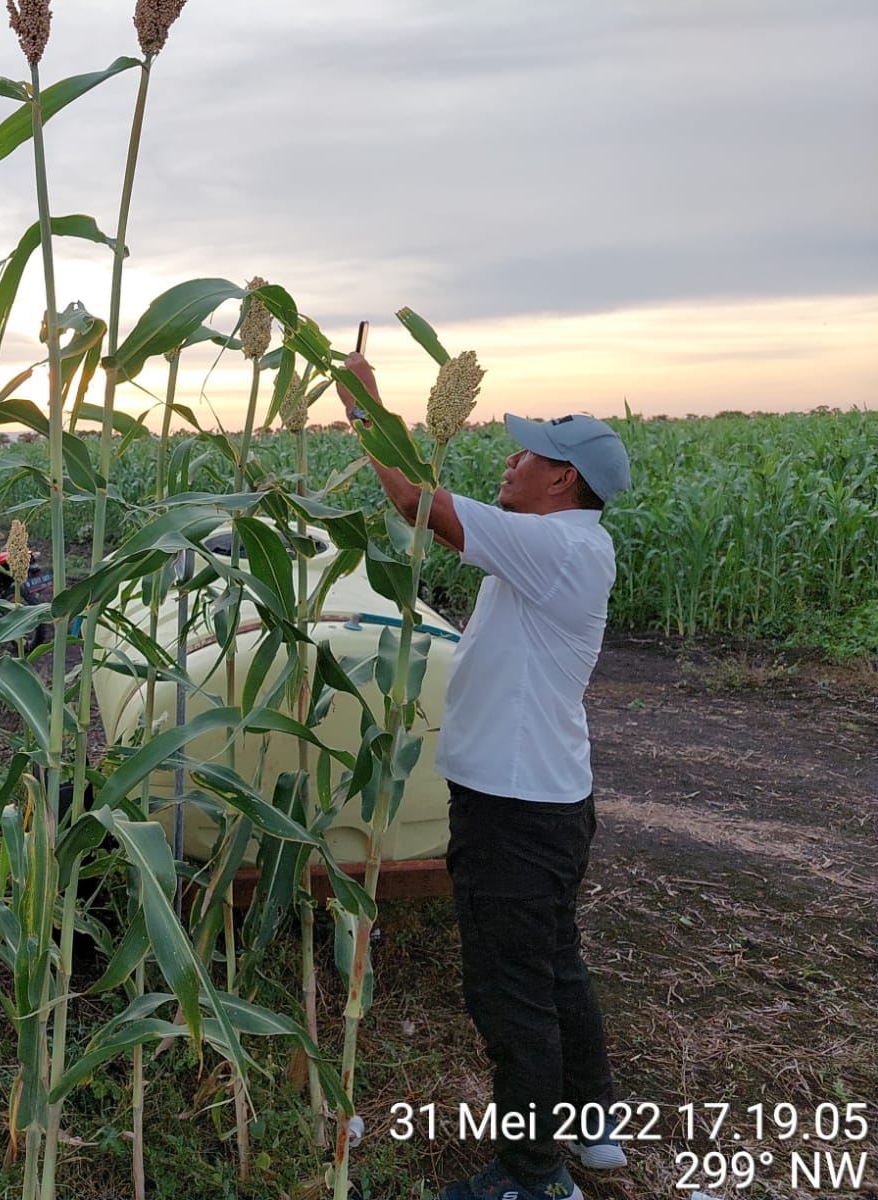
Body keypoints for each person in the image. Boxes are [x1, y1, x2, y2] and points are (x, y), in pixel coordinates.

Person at [340, 353, 632, 1200]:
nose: (511, 459)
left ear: (562, 479)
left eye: (528, 452)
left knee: (509, 993)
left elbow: (413, 502)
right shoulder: (567, 547)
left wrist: (363, 406)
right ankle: (593, 1124)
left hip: (514, 811)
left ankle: (533, 1177)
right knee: (554, 965)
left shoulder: (555, 544)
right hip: (547, 801)